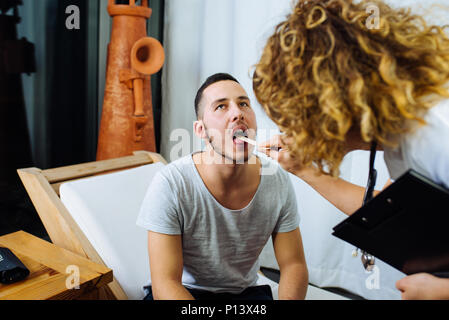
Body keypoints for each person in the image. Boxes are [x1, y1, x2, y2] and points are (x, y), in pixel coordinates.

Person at [252, 0, 449, 300]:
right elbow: (393, 212)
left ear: (334, 104)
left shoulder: (438, 132)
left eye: (299, 120)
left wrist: (441, 291)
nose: (296, 134)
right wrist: (303, 169)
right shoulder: (399, 136)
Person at [136, 73, 308, 300]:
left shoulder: (276, 179)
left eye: (243, 104)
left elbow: (294, 265)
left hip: (245, 296)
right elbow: (165, 283)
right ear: (201, 130)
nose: (238, 113)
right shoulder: (171, 183)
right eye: (221, 107)